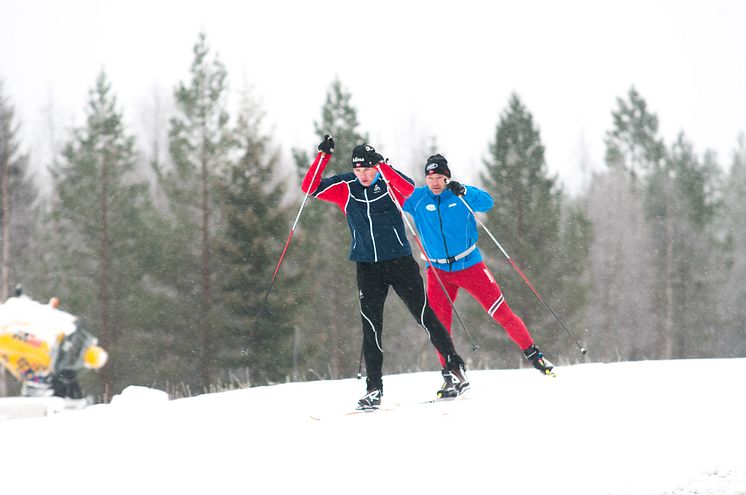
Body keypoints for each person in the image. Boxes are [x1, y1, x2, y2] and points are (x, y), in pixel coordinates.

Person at [302, 136, 469, 409]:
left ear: (375, 167)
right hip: (367, 267)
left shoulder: (388, 181)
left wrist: (383, 166)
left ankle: (455, 368)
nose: (364, 175)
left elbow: (408, 189)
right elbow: (309, 187)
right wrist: (323, 157)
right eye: (359, 170)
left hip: (400, 263)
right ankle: (374, 389)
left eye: (368, 169)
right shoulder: (346, 187)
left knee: (424, 316)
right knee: (371, 326)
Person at [403, 153, 554, 395]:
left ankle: (534, 355)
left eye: (440, 177)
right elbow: (395, 191)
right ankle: (450, 374)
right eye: (431, 177)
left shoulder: (459, 194)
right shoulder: (418, 198)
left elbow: (487, 202)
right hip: (438, 270)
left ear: (447, 178)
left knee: (501, 312)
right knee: (438, 325)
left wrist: (464, 191)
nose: (435, 182)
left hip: (469, 266)